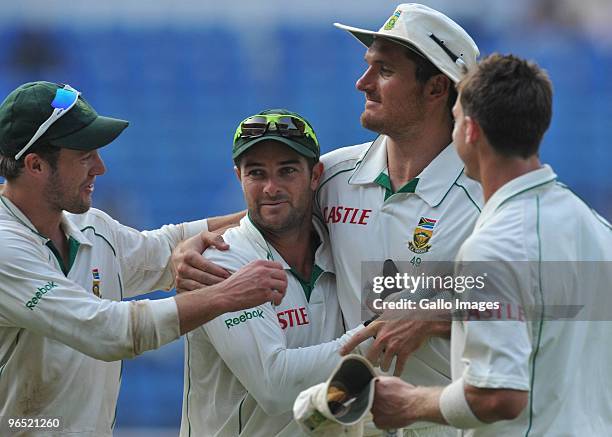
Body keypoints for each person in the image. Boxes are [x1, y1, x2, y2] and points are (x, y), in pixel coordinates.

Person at [173, 4, 482, 435]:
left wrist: (434, 313)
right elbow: (267, 208)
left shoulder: (485, 198)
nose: (363, 83)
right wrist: (194, 239)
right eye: (368, 67)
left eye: (385, 71)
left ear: (435, 89)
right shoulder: (336, 173)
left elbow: (564, 294)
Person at [0, 81, 287, 436]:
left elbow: (165, 247)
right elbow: (106, 330)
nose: (100, 168)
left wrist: (274, 208)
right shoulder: (6, 248)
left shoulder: (89, 225)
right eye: (85, 155)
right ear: (35, 165)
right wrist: (226, 296)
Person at [371, 54, 612, 435]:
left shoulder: (493, 247)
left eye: (455, 118)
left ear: (471, 131)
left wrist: (409, 403)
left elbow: (499, 395)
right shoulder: (598, 228)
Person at [180, 109, 365, 437]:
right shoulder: (221, 263)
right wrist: (374, 336)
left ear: (315, 175)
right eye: (256, 173)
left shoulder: (343, 244)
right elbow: (273, 386)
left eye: (287, 171)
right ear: (239, 177)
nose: (270, 188)